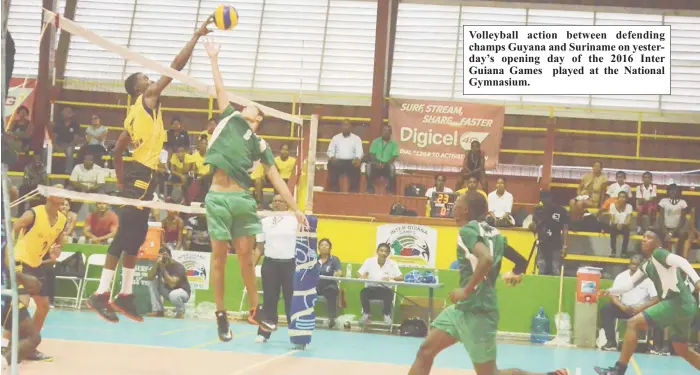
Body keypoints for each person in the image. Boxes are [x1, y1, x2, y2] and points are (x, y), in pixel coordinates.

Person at [87, 18, 212, 324]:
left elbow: (117, 148)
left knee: (138, 235)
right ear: (138, 87)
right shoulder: (147, 99)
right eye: (144, 77)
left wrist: (120, 179)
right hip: (140, 174)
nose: (149, 78)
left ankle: (126, 295)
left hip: (142, 176)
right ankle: (101, 294)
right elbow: (174, 67)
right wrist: (196, 36)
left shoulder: (136, 115)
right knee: (126, 235)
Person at [202, 38, 308, 342]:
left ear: (258, 118)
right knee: (219, 256)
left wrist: (296, 208)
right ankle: (221, 315)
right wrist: (213, 58)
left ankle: (254, 308)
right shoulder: (229, 119)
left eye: (252, 106)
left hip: (242, 199)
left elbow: (276, 179)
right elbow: (221, 90)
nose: (245, 104)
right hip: (219, 196)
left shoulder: (261, 144)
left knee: (247, 257)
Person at [408, 192, 568, 375]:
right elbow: (521, 261)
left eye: (457, 203)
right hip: (461, 309)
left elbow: (486, 259)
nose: (453, 207)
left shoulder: (467, 230)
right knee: (425, 351)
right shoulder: (495, 233)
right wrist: (514, 273)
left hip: (479, 310)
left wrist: (465, 291)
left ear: (465, 209)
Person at [594, 230, 700, 374]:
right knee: (681, 348)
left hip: (677, 301)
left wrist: (697, 280)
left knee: (633, 323)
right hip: (687, 305)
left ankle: (618, 370)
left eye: (649, 237)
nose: (644, 239)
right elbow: (629, 285)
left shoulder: (659, 253)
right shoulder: (646, 265)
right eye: (643, 237)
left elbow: (682, 261)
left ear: (658, 243)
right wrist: (609, 291)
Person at [11, 188, 66, 361]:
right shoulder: (33, 214)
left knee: (43, 306)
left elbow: (58, 244)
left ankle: (28, 347)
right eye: (59, 191)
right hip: (21, 261)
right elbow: (13, 228)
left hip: (37, 264)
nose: (63, 195)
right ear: (49, 196)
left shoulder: (62, 220)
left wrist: (56, 252)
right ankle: (10, 345)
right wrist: (8, 254)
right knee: (23, 303)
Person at [252, 195, 297, 342]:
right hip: (270, 264)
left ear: (287, 204)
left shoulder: (295, 220)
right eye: (275, 201)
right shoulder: (264, 222)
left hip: (289, 265)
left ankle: (296, 336)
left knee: (291, 300)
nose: (277, 203)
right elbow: (259, 247)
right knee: (269, 299)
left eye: (281, 201)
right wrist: (250, 266)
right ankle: (264, 332)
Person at [599, 255, 660, 352]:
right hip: (625, 308)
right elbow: (614, 295)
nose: (634, 266)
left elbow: (655, 299)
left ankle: (656, 346)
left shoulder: (648, 279)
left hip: (642, 311)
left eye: (637, 265)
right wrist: (621, 306)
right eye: (632, 264)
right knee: (606, 309)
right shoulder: (621, 276)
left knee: (660, 311)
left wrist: (640, 308)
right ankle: (611, 342)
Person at [357, 243, 403, 325]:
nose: (383, 253)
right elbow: (358, 273)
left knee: (389, 293)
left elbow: (401, 277)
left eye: (386, 251)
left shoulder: (392, 264)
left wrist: (390, 278)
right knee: (363, 292)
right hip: (371, 289)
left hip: (385, 290)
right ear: (377, 251)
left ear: (388, 253)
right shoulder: (369, 261)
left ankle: (386, 315)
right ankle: (366, 314)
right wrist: (362, 276)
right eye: (381, 251)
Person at [530, 191, 569, 276]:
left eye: (546, 198)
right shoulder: (538, 210)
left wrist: (565, 245)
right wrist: (533, 226)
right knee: (542, 269)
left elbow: (565, 229)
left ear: (551, 198)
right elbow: (534, 227)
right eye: (542, 199)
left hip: (556, 244)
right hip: (542, 244)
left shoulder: (561, 211)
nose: (544, 200)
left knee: (555, 269)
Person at [146, 247, 191, 319]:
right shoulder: (159, 264)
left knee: (174, 295)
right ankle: (158, 310)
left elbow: (172, 283)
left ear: (170, 256)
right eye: (162, 256)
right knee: (152, 282)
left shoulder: (178, 266)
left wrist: (164, 269)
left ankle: (180, 312)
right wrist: (156, 264)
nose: (164, 258)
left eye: (166, 256)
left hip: (182, 292)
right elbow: (149, 277)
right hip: (167, 291)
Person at [326, 120, 363, 193]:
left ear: (350, 127)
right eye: (344, 125)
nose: (345, 127)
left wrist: (357, 158)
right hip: (338, 161)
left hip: (351, 161)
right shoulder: (335, 138)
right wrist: (332, 156)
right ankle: (334, 187)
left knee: (356, 165)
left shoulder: (356, 138)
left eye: (347, 125)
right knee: (331, 164)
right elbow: (330, 150)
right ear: (341, 127)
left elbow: (359, 152)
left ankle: (353, 189)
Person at [366, 124, 399, 194]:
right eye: (384, 130)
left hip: (387, 165)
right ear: (381, 132)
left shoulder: (394, 144)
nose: (386, 132)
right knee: (368, 166)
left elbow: (393, 157)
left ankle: (390, 190)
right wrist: (377, 163)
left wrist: (385, 164)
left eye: (388, 131)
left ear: (391, 133)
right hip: (376, 164)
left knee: (392, 167)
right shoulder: (375, 142)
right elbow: (371, 154)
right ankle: (370, 188)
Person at [317, 238, 342, 329]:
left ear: (330, 248)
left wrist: (338, 273)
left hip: (329, 285)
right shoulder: (314, 259)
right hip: (316, 285)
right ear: (318, 247)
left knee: (331, 291)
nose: (324, 247)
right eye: (322, 245)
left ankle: (332, 318)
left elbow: (339, 271)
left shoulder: (334, 259)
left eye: (326, 245)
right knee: (305, 289)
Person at [608, 191, 633, 258]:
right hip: (614, 225)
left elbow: (629, 221)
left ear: (626, 199)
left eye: (624, 197)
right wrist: (617, 224)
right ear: (618, 198)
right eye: (620, 197)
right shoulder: (612, 206)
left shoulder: (629, 206)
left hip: (624, 225)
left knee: (627, 232)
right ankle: (613, 251)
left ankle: (624, 252)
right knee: (612, 229)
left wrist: (622, 224)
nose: (622, 199)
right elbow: (612, 220)